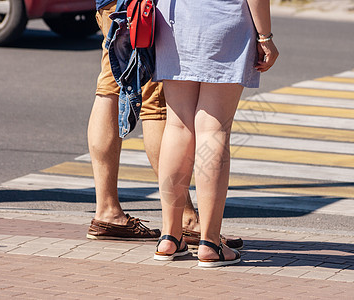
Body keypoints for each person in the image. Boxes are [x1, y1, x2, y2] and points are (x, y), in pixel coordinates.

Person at [86, 0, 243, 249]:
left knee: (110, 85)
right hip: (145, 6)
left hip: (111, 4)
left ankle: (107, 209)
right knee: (158, 104)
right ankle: (184, 220)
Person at [153, 0, 278, 267]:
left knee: (178, 125)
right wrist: (265, 36)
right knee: (214, 127)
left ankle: (169, 237)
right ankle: (210, 242)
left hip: (172, 21)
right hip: (223, 18)